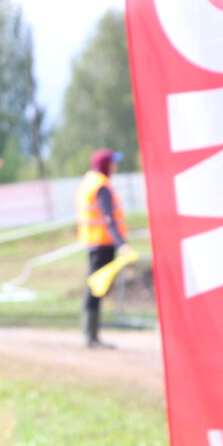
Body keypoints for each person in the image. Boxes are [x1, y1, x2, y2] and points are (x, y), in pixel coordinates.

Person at [75, 148, 132, 349]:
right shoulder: (101, 185)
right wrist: (121, 243)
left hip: (94, 242)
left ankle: (90, 334)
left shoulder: (89, 182)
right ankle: (91, 335)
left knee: (95, 287)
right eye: (113, 162)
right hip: (103, 243)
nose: (115, 166)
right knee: (96, 288)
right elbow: (109, 219)